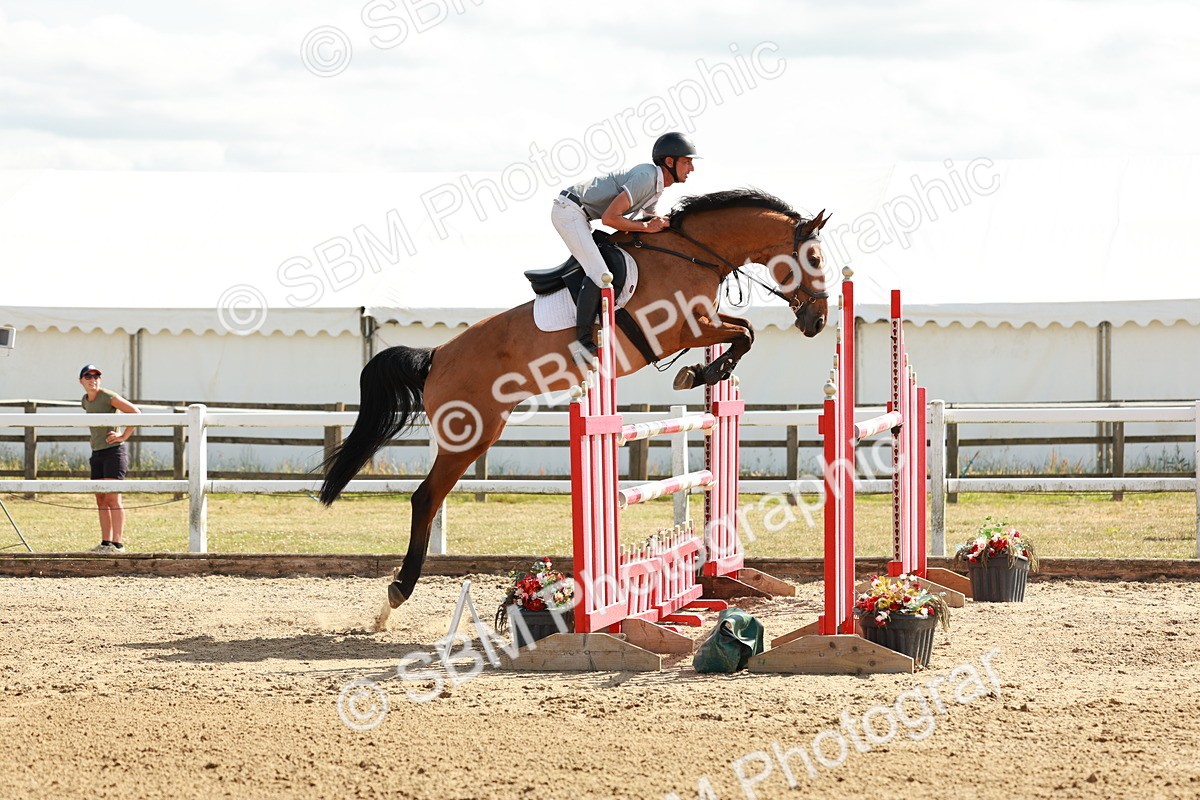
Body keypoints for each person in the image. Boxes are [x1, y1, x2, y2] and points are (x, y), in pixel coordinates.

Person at [551, 131, 699, 354]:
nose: (692, 168)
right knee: (600, 274)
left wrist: (671, 224)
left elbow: (649, 218)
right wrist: (647, 227)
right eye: (687, 162)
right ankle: (582, 344)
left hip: (580, 213)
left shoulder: (656, 187)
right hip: (569, 211)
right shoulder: (647, 178)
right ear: (670, 161)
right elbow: (611, 219)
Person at [79, 364, 140, 553]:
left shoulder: (108, 396)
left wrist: (123, 436)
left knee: (113, 499)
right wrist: (93, 438)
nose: (93, 379)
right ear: (81, 381)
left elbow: (135, 413)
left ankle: (118, 544)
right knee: (101, 499)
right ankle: (105, 543)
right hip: (97, 453)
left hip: (114, 452)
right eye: (88, 376)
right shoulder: (85, 401)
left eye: (96, 376)